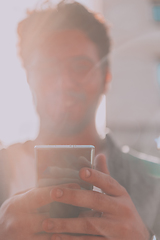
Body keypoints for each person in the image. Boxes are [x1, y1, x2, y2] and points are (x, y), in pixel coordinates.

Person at [0, 1, 159, 239]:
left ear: (106, 77)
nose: (63, 82)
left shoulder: (155, 180)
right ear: (28, 77)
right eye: (46, 67)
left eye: (80, 66)